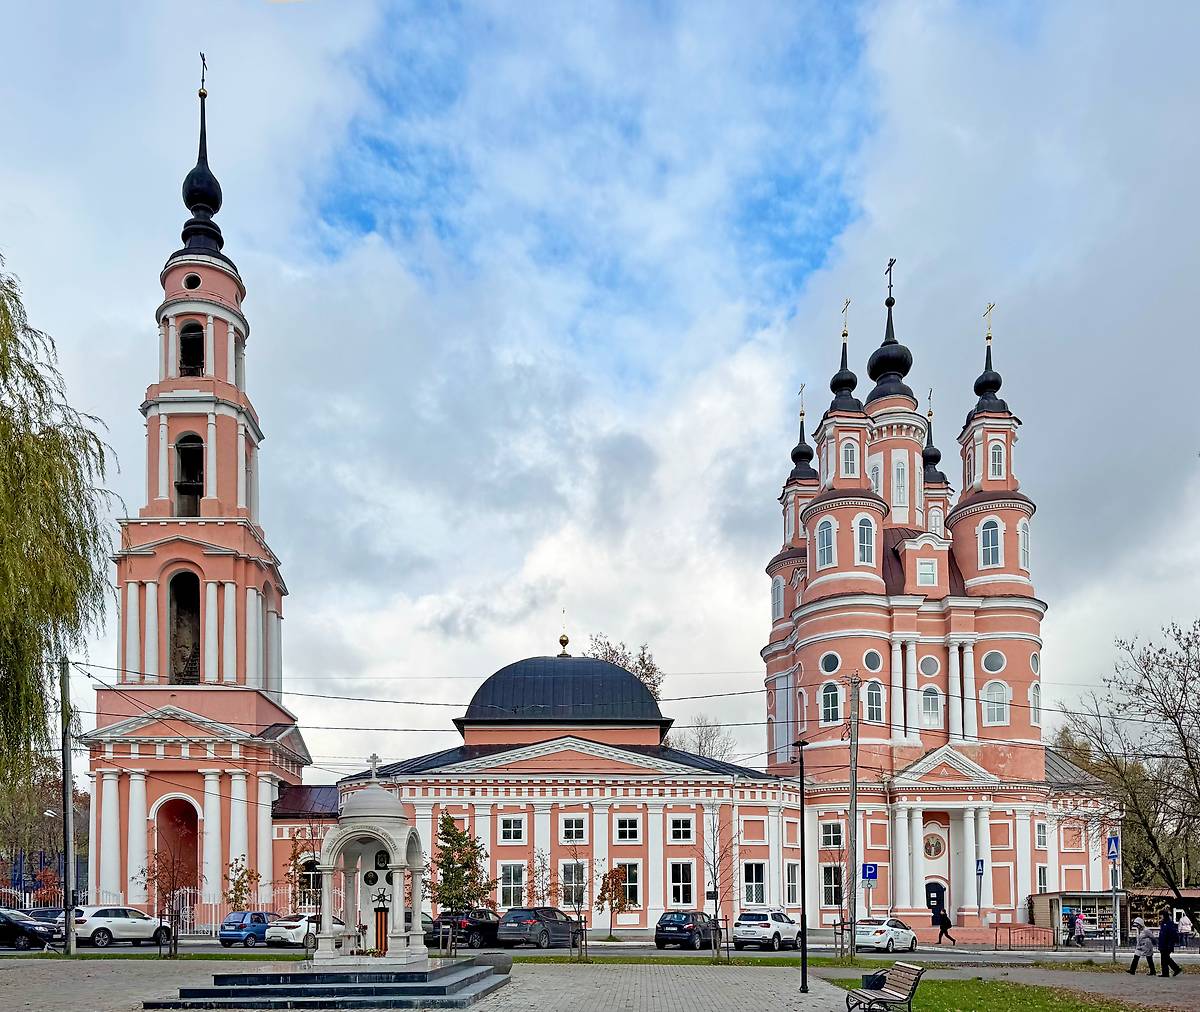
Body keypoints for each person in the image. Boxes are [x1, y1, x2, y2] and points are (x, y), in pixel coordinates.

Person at [1159, 907, 1182, 977]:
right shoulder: (1163, 923)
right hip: (1163, 944)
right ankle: (1167, 972)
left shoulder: (1169, 924)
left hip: (1167, 944)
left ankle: (1175, 969)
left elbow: (1172, 935)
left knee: (1165, 958)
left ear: (1164, 915)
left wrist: (1170, 944)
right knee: (1165, 959)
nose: (1160, 917)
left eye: (1161, 915)